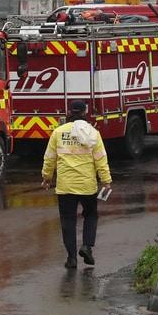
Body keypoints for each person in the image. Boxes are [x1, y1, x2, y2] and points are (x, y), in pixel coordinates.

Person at [41, 99, 112, 269]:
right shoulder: (93, 133)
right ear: (85, 112)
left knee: (68, 221)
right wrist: (106, 180)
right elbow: (101, 159)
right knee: (91, 215)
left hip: (65, 186)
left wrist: (47, 178)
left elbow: (50, 158)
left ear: (69, 112)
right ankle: (87, 246)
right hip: (87, 185)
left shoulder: (58, 133)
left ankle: (71, 258)